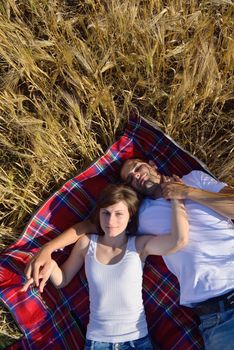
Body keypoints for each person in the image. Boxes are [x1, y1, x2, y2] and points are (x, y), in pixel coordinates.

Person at [22, 183, 189, 350]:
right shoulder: (86, 243)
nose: (111, 221)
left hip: (137, 341)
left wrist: (177, 199)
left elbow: (178, 241)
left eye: (119, 214)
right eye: (106, 213)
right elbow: (63, 279)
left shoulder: (139, 245)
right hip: (97, 342)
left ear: (130, 215)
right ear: (99, 214)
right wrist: (50, 264)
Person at [120, 159, 234, 350]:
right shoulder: (140, 215)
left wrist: (188, 192)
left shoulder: (195, 178)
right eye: (130, 179)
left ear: (153, 164)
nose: (136, 175)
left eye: (137, 168)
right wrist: (50, 248)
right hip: (218, 317)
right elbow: (99, 219)